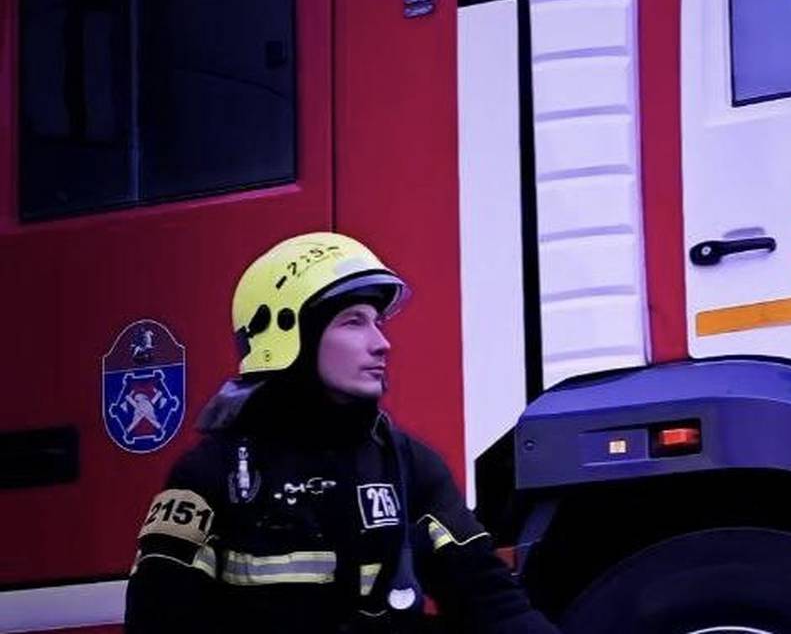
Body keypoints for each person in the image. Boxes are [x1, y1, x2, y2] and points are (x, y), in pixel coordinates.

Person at [124, 232, 559, 634]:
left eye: (378, 322)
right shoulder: (209, 476)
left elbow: (494, 602)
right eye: (353, 322)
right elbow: (156, 620)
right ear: (286, 333)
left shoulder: (408, 466)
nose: (381, 343)